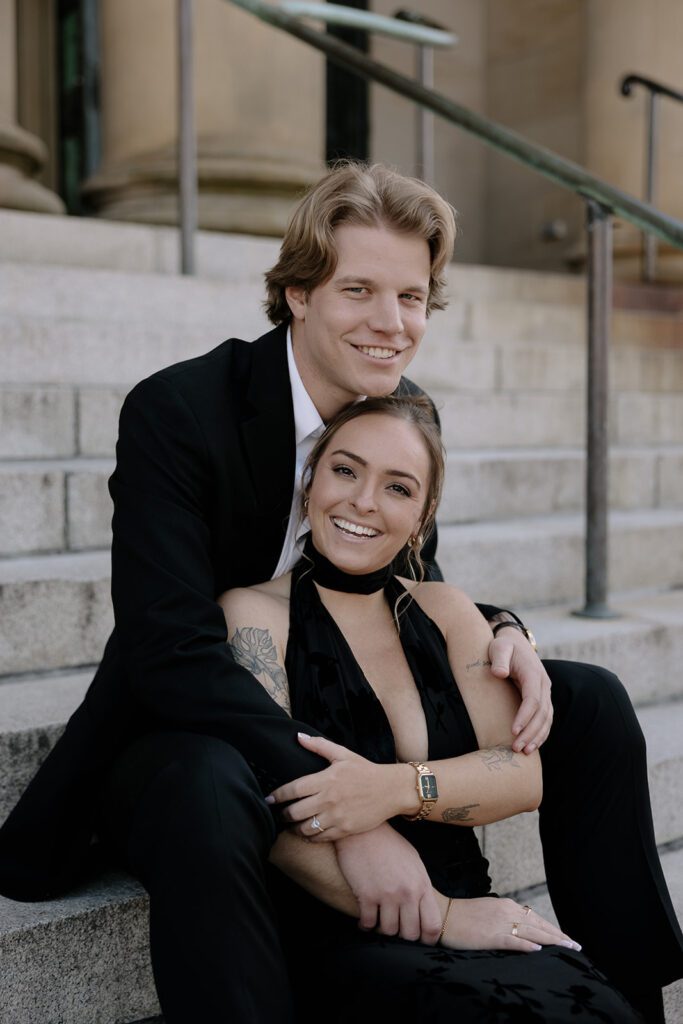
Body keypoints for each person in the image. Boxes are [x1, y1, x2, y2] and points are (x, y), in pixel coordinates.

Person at [0, 162, 680, 1023]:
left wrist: (505, 630)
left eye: (410, 295)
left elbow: (404, 569)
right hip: (192, 717)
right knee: (206, 785)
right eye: (359, 289)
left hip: (343, 691)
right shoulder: (181, 409)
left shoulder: (406, 406)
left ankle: (631, 985)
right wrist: (355, 818)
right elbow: (167, 648)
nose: (391, 324)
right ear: (297, 293)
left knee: (586, 701)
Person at [217, 392, 642, 1022]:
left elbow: (523, 776)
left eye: (397, 487)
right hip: (341, 921)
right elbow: (270, 810)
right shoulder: (254, 617)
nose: (363, 500)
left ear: (423, 514)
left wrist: (390, 789)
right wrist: (445, 918)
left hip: (477, 900)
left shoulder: (446, 611)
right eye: (345, 470)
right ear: (309, 481)